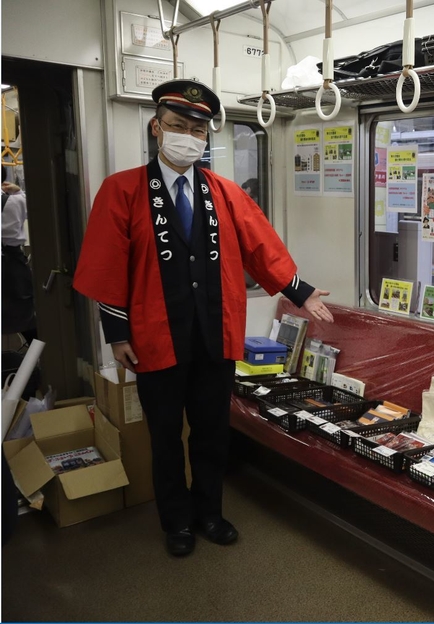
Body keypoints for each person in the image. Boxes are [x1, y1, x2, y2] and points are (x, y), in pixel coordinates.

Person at [74, 79, 334, 557]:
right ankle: (176, 521)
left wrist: (300, 292)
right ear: (157, 128)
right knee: (166, 437)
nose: (187, 136)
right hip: (155, 339)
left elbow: (261, 248)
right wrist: (116, 333)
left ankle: (209, 513)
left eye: (197, 130)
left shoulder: (224, 192)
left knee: (214, 433)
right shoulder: (123, 191)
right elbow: (108, 265)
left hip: (216, 337)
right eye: (177, 126)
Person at [1, 167, 36, 343]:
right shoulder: (17, 201)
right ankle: (42, 361)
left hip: (11, 262)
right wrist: (20, 192)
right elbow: (37, 212)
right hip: (13, 263)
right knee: (26, 316)